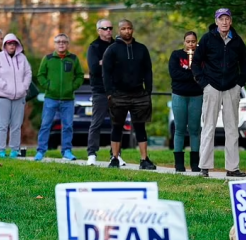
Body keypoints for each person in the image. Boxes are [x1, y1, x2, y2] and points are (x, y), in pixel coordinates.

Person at [191, 8, 246, 177]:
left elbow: (245, 63)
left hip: (232, 88)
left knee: (232, 128)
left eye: (227, 18)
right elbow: (196, 63)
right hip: (212, 87)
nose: (224, 22)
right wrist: (204, 83)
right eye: (221, 19)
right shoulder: (207, 39)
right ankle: (204, 167)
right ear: (216, 21)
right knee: (208, 127)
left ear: (231, 21)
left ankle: (232, 168)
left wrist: (240, 84)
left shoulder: (237, 40)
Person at [102, 19, 156, 170]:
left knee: (140, 126)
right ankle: (114, 159)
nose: (127, 31)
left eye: (129, 28)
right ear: (119, 31)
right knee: (117, 126)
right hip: (118, 94)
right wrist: (109, 93)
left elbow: (147, 71)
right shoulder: (112, 50)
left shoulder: (141, 49)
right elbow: (106, 73)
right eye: (124, 28)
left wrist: (148, 90)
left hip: (139, 94)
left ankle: (144, 159)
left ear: (133, 30)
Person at [34, 33, 84, 162]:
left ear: (67, 44)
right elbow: (40, 75)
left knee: (67, 126)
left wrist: (72, 87)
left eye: (64, 42)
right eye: (58, 42)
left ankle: (66, 151)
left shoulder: (73, 59)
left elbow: (79, 75)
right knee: (45, 125)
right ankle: (40, 151)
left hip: (68, 99)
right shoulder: (48, 58)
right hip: (51, 98)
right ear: (54, 44)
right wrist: (48, 86)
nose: (61, 44)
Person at [86, 19, 126, 166]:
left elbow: (123, 65)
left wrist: (105, 62)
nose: (109, 30)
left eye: (110, 27)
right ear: (99, 30)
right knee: (96, 123)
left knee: (117, 124)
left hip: (116, 90)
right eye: (105, 28)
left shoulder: (117, 45)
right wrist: (108, 62)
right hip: (100, 90)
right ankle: (92, 154)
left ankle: (115, 155)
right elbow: (94, 69)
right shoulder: (94, 47)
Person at [0, 34, 32, 158]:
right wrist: (5, 87)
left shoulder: (22, 58)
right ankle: (1, 150)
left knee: (16, 126)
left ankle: (14, 150)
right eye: (9, 43)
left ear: (17, 45)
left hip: (19, 97)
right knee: (2, 125)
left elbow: (28, 73)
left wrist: (23, 87)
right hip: (1, 97)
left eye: (14, 44)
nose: (12, 46)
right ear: (5, 45)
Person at [168, 31, 204, 172]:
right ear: (184, 42)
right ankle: (179, 164)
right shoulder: (176, 55)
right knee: (179, 129)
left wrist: (192, 74)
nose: (191, 44)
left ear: (197, 42)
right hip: (179, 95)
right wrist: (192, 74)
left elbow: (202, 74)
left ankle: (195, 163)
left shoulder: (201, 57)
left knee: (195, 130)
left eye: (193, 41)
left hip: (196, 96)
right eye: (188, 41)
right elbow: (174, 74)